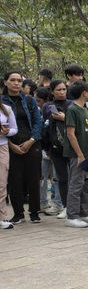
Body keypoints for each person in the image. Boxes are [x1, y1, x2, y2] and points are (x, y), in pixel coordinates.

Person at [2, 70, 43, 224]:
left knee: (33, 178)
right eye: (12, 80)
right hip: (9, 143)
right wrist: (11, 145)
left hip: (31, 142)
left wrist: (31, 140)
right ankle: (18, 213)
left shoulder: (29, 100)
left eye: (19, 80)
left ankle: (34, 211)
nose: (16, 83)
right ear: (6, 82)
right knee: (14, 180)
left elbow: (37, 121)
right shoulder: (2, 101)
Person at [64, 81, 88, 228]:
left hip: (87, 153)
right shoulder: (72, 110)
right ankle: (72, 216)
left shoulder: (84, 109)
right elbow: (70, 134)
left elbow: (84, 130)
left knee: (86, 184)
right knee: (76, 184)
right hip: (77, 155)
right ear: (84, 93)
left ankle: (85, 214)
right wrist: (79, 154)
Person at [41, 79, 71, 218]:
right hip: (55, 147)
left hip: (72, 146)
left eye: (64, 89)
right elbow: (46, 127)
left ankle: (80, 206)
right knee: (62, 178)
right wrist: (46, 147)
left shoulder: (72, 104)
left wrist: (65, 119)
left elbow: (79, 125)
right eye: (58, 90)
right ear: (52, 91)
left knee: (76, 178)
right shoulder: (47, 106)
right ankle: (64, 206)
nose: (62, 92)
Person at [0, 93, 18, 229]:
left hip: (2, 147)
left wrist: (7, 132)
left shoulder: (6, 109)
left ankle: (2, 217)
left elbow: (14, 129)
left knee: (1, 183)